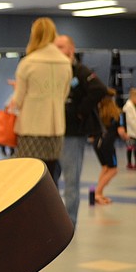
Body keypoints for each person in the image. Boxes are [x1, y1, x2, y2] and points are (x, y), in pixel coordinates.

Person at [10, 18, 71, 185]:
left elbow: (18, 100)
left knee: (28, 180)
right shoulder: (65, 63)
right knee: (50, 179)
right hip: (56, 129)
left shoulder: (28, 62)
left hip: (31, 129)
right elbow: (64, 95)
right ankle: (50, 210)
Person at [53, 35, 106, 226]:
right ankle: (52, 222)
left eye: (61, 46)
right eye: (55, 47)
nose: (57, 50)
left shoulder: (80, 71)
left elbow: (99, 89)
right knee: (50, 183)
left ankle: (69, 223)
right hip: (53, 133)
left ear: (71, 49)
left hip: (72, 135)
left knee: (71, 182)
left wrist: (80, 111)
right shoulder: (53, 71)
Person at [91, 89, 127, 205]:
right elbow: (121, 131)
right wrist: (128, 137)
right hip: (107, 144)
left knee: (105, 167)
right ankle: (97, 193)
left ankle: (99, 194)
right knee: (113, 170)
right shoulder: (117, 113)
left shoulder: (99, 112)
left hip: (97, 143)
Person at [122, 87, 136, 169]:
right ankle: (129, 162)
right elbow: (131, 121)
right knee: (130, 148)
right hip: (131, 131)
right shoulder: (128, 107)